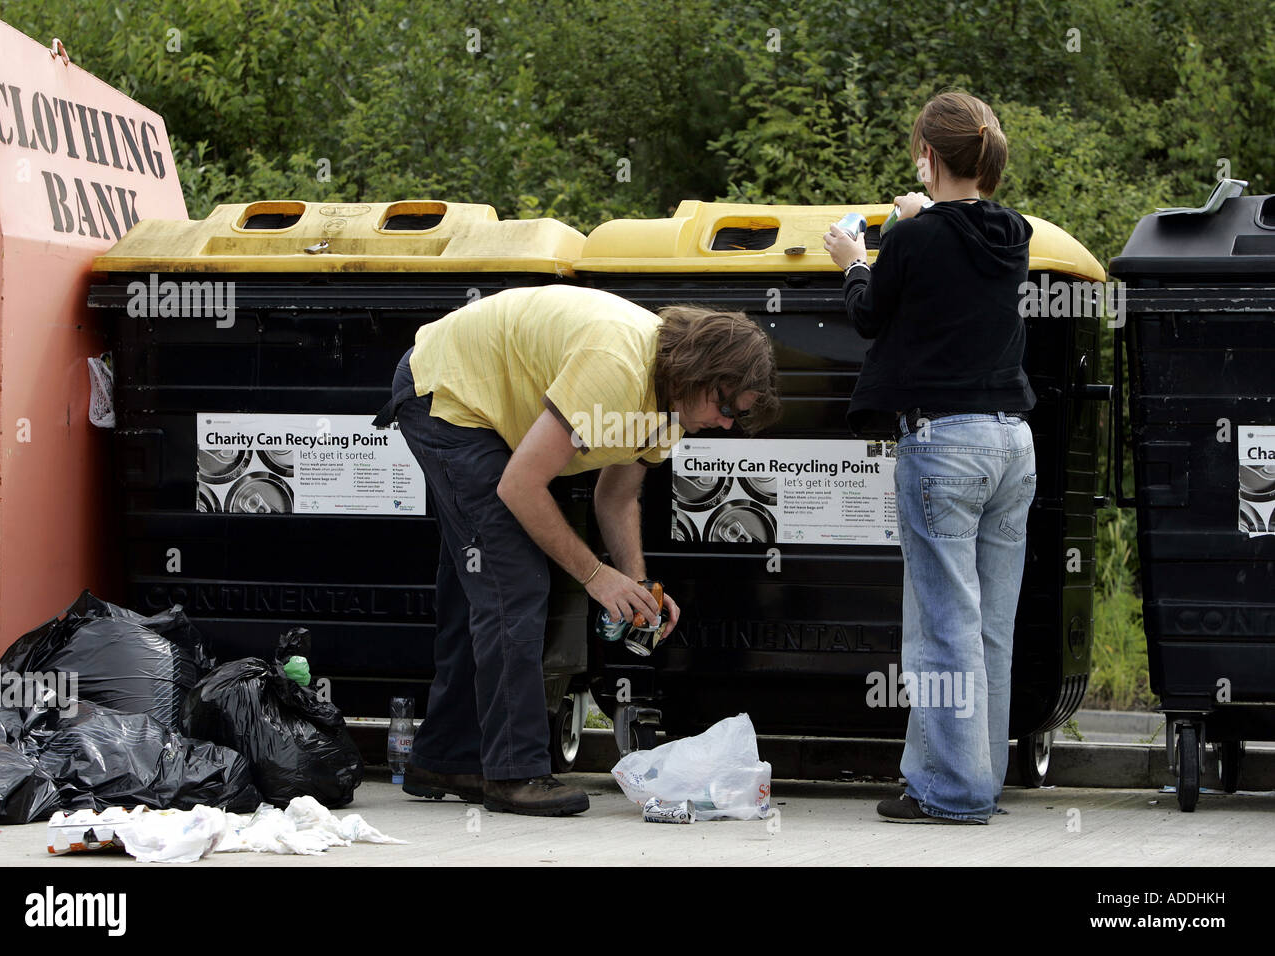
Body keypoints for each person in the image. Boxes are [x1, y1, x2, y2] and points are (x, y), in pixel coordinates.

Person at [372, 285, 780, 816]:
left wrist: (639, 589)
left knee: (482, 581)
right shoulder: (616, 369)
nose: (726, 423)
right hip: (446, 393)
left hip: (494, 417)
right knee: (515, 581)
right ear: (698, 371)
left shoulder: (669, 404)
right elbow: (519, 486)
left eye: (736, 417)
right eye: (726, 406)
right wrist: (595, 576)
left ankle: (446, 757)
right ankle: (515, 775)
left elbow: (616, 497)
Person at [824, 89, 1037, 824]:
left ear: (929, 155)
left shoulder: (913, 240)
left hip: (944, 443)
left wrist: (856, 257)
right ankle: (974, 779)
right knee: (987, 626)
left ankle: (953, 792)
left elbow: (870, 315)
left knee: (943, 626)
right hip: (1013, 443)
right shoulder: (1014, 233)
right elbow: (959, 244)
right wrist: (921, 213)